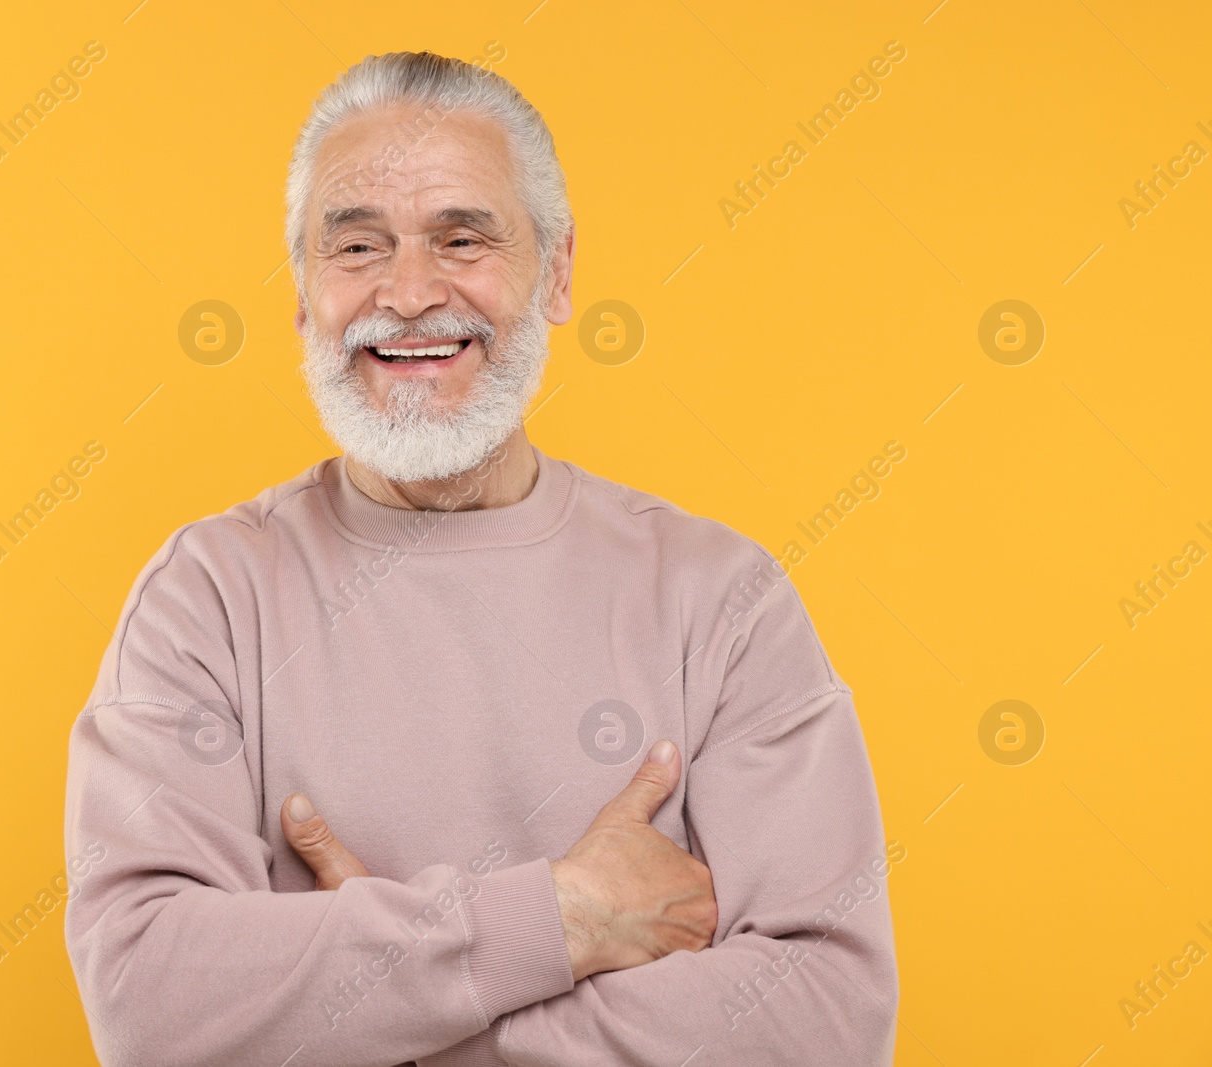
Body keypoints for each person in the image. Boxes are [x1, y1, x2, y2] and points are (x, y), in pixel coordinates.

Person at [63, 50, 898, 1066]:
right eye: (358, 245)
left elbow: (826, 1018)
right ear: (301, 292)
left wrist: (390, 1007)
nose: (408, 293)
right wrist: (567, 919)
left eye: (462, 237)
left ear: (555, 271)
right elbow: (148, 1004)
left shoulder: (721, 599)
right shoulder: (203, 598)